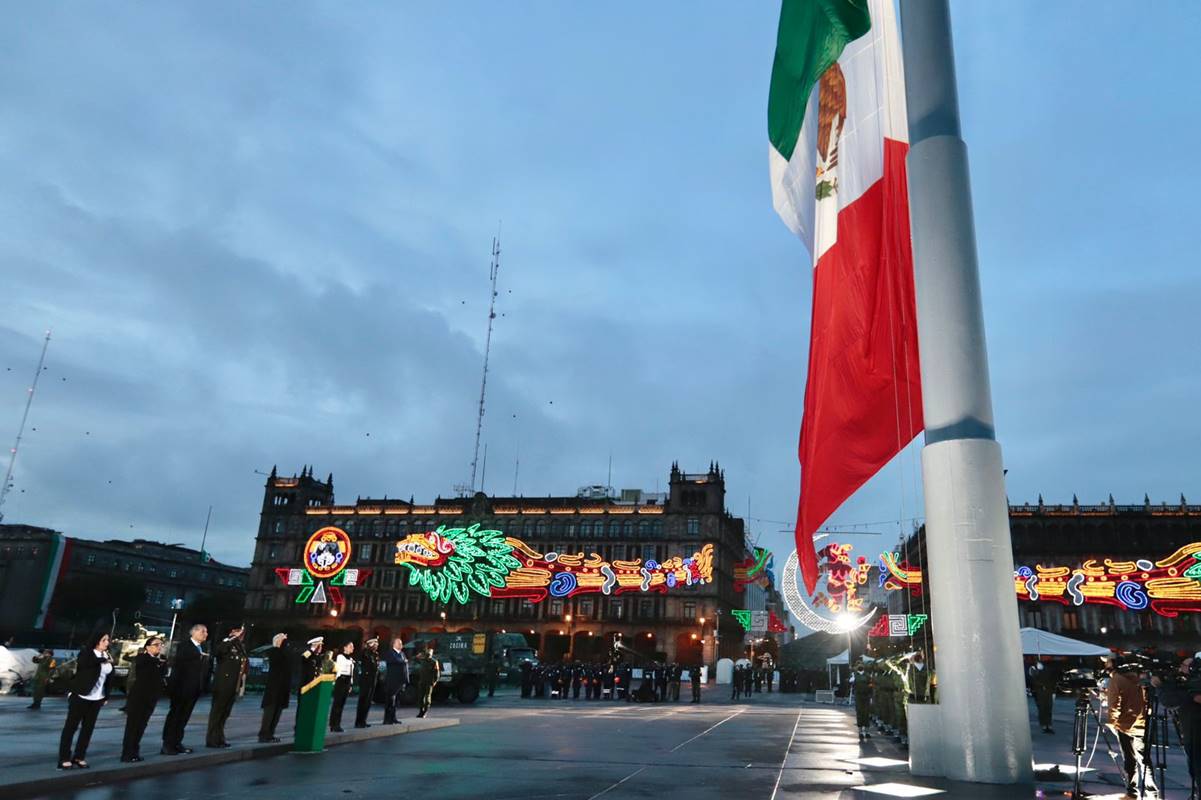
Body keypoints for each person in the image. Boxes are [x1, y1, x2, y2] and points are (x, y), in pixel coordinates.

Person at [58, 631, 113, 770]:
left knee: (88, 729)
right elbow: (85, 664)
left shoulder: (107, 655)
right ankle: (64, 757)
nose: (107, 642)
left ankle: (79, 756)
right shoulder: (87, 653)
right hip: (81, 696)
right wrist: (102, 660)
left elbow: (108, 678)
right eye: (104, 640)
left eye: (108, 640)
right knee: (71, 727)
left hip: (97, 699)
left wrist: (106, 695)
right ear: (96, 640)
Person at [1107, 663, 1155, 799]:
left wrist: (1112, 722)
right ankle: (1152, 792)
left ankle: (1132, 791)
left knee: (1129, 759)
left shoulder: (1116, 679)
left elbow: (1113, 703)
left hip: (1124, 725)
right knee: (1144, 759)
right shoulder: (1139, 679)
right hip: (1142, 723)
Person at [1153, 655, 1201, 792]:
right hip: (1192, 734)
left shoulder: (1191, 689)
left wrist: (1161, 686)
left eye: (1185, 667)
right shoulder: (1189, 687)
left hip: (1195, 737)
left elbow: (1169, 700)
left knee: (1197, 770)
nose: (1181, 669)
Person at [162, 623, 208, 755]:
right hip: (181, 688)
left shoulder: (201, 647)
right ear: (193, 632)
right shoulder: (186, 646)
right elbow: (181, 663)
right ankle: (168, 743)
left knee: (184, 718)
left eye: (206, 632)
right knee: (175, 716)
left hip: (194, 689)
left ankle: (177, 742)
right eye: (203, 631)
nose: (205, 634)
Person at [121, 636, 168, 762]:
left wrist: (161, 662)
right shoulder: (143, 658)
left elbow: (162, 674)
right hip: (138, 697)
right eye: (156, 644)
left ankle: (135, 751)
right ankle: (127, 753)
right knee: (133, 725)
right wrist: (159, 662)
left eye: (161, 644)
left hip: (151, 697)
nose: (159, 647)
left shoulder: (161, 660)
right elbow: (146, 668)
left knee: (142, 725)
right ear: (147, 647)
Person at [206, 623, 247, 748]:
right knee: (217, 713)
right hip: (223, 684)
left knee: (225, 713)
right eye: (238, 632)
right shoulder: (226, 643)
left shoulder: (239, 646)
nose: (241, 635)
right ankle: (212, 739)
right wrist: (232, 638)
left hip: (232, 685)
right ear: (231, 632)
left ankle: (219, 738)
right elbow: (219, 651)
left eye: (241, 633)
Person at [258, 633, 291, 742]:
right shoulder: (274, 652)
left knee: (277, 713)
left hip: (282, 688)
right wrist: (278, 644)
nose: (285, 642)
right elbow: (276, 660)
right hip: (273, 689)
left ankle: (270, 733)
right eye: (283, 640)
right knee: (270, 713)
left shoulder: (285, 653)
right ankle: (264, 734)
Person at [382, 637, 409, 724]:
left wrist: (406, 680)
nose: (401, 645)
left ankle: (393, 718)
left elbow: (405, 667)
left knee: (396, 701)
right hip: (392, 681)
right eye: (399, 643)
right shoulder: (390, 653)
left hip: (400, 681)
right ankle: (387, 719)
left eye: (401, 643)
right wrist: (403, 661)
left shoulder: (402, 653)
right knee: (390, 701)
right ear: (394, 644)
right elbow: (397, 661)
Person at [329, 641, 355, 732]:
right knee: (337, 703)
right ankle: (333, 724)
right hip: (341, 680)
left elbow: (351, 672)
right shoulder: (341, 656)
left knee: (342, 704)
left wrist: (351, 684)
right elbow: (343, 666)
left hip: (347, 681)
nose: (352, 648)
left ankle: (338, 723)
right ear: (345, 647)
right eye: (350, 646)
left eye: (353, 646)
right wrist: (351, 662)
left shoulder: (350, 658)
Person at [354, 637, 380, 728]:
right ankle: (359, 721)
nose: (377, 645)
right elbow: (362, 667)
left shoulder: (375, 654)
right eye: (375, 644)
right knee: (363, 701)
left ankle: (364, 720)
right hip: (365, 680)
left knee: (368, 702)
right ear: (370, 644)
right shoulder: (364, 653)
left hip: (372, 680)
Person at [1028, 660, 1058, 734]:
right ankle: (1044, 725)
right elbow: (1033, 680)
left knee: (1048, 708)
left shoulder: (1048, 670)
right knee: (1042, 708)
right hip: (1041, 691)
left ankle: (1048, 724)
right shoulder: (1035, 669)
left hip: (1047, 691)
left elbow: (1053, 680)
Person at [415, 643, 440, 718]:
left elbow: (437, 674)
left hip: (429, 682)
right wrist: (419, 655)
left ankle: (425, 711)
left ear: (432, 654)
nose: (428, 654)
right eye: (427, 653)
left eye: (430, 653)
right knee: (420, 697)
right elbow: (416, 658)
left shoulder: (434, 662)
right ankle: (421, 711)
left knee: (427, 697)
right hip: (422, 681)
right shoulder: (422, 660)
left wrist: (435, 681)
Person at [852, 661, 874, 742]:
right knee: (859, 713)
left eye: (861, 664)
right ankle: (860, 731)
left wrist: (871, 696)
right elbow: (851, 684)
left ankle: (867, 732)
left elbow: (871, 686)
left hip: (866, 696)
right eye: (858, 664)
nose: (860, 666)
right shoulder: (854, 675)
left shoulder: (868, 676)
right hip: (858, 697)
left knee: (866, 713)